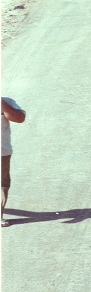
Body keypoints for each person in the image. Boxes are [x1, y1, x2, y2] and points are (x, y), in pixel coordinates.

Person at [2, 97, 27, 227]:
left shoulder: (6, 102)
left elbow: (20, 118)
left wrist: (2, 104)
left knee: (2, 185)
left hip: (2, 152)